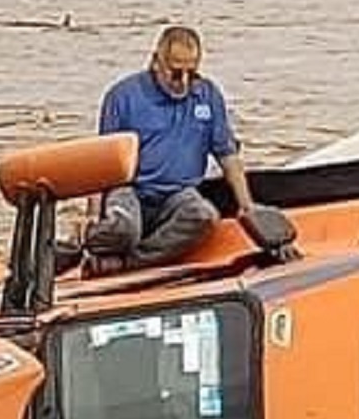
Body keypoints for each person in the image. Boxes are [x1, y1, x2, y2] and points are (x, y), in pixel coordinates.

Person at [83, 25, 258, 272]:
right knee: (123, 229)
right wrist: (91, 214)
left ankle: (130, 264)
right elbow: (102, 163)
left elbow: (227, 156)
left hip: (177, 196)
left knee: (204, 216)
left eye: (192, 73)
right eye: (176, 73)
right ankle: (83, 248)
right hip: (130, 192)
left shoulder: (207, 96)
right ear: (156, 62)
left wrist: (248, 207)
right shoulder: (122, 96)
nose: (184, 82)